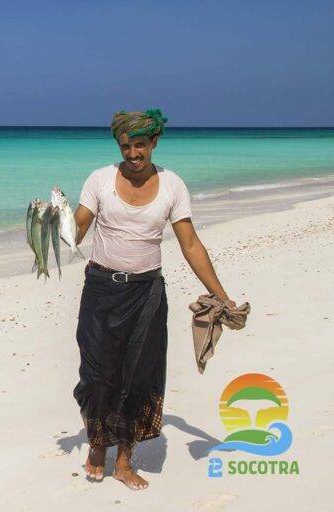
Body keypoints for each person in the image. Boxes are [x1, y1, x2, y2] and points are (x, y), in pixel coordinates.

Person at [71, 109, 236, 490]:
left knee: (138, 378)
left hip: (146, 293)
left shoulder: (173, 185)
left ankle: (124, 460)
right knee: (97, 376)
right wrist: (51, 224)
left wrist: (221, 296)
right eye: (126, 146)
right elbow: (76, 229)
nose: (132, 154)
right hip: (99, 289)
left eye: (140, 145)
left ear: (154, 142)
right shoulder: (99, 180)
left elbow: (190, 243)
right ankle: (97, 443)